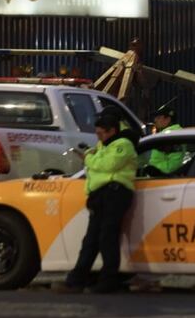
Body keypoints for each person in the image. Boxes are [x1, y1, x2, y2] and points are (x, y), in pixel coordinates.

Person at [53, 113, 136, 294]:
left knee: (107, 237)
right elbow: (99, 163)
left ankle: (108, 280)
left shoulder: (123, 145)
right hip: (100, 195)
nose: (98, 137)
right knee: (91, 240)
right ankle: (76, 281)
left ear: (112, 131)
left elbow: (108, 165)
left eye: (101, 133)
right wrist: (92, 156)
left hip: (115, 194)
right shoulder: (104, 145)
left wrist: (88, 159)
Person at [143, 104, 185, 177]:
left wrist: (156, 171)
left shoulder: (171, 135)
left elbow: (173, 164)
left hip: (162, 178)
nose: (155, 120)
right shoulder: (167, 134)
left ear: (168, 119)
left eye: (159, 117)